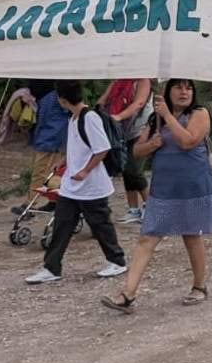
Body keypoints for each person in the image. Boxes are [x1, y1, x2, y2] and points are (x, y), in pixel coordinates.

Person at [102, 79, 212, 312]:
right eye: (178, 87)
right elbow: (137, 151)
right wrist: (152, 144)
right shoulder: (154, 119)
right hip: (163, 189)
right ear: (168, 92)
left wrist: (168, 116)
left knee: (191, 236)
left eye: (188, 88)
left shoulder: (200, 113)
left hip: (193, 187)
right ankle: (128, 293)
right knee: (147, 237)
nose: (184, 92)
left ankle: (199, 286)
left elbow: (188, 141)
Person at [24, 80, 128, 285]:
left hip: (90, 186)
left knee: (101, 225)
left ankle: (117, 261)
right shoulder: (74, 118)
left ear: (63, 100)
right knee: (62, 226)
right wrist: (65, 162)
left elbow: (102, 148)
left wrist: (85, 171)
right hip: (73, 187)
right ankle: (51, 267)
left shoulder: (89, 118)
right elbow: (80, 146)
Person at [98, 78, 153, 224]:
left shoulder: (143, 80)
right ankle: (133, 209)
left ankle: (151, 208)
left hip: (140, 130)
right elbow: (103, 99)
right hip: (122, 131)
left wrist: (119, 116)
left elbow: (139, 103)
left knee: (133, 169)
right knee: (125, 170)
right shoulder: (118, 81)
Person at [12, 81, 67, 216]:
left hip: (52, 132)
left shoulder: (55, 92)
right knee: (53, 171)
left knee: (41, 169)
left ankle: (30, 204)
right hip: (50, 129)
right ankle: (54, 201)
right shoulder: (51, 91)